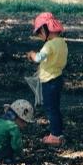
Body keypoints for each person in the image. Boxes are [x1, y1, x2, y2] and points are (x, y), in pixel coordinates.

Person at [26, 12, 67, 146]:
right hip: (58, 78)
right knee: (55, 107)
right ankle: (58, 133)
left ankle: (55, 136)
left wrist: (32, 55)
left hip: (49, 81)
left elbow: (39, 58)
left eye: (39, 33)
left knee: (50, 108)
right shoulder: (62, 43)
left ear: (45, 29)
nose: (39, 36)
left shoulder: (49, 45)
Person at [0, 99, 35, 165]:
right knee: (11, 145)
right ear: (17, 118)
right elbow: (17, 146)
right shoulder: (13, 127)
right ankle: (7, 160)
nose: (25, 125)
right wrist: (22, 156)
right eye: (24, 121)